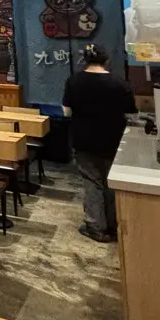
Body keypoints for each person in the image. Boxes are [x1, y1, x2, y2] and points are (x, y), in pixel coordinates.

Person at [62, 43, 136, 243]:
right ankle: (114, 224)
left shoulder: (74, 81)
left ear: (85, 60)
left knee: (92, 181)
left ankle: (96, 226)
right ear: (107, 60)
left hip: (83, 139)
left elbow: (67, 111)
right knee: (111, 181)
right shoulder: (118, 83)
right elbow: (131, 112)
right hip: (113, 140)